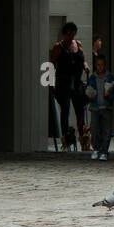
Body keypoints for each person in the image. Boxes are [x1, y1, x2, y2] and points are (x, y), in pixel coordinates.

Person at [49, 21, 86, 152]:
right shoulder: (58, 47)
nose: (71, 37)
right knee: (65, 111)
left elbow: (83, 60)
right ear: (64, 34)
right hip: (63, 82)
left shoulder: (78, 45)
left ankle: (84, 139)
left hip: (76, 82)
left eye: (73, 34)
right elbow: (52, 66)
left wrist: (86, 67)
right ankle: (65, 140)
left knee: (80, 110)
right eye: (69, 34)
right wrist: (51, 85)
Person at [85, 54, 114, 161]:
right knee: (95, 129)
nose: (99, 67)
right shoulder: (92, 77)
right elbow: (88, 90)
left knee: (106, 130)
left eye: (101, 65)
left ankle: (104, 151)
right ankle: (96, 149)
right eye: (97, 65)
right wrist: (90, 95)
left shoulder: (110, 77)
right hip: (95, 107)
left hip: (106, 108)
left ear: (105, 66)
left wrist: (109, 96)